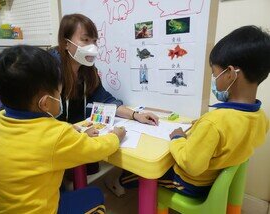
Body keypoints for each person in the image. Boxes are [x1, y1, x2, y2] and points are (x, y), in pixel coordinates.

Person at [109, 25, 270, 198]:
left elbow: (190, 165)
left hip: (189, 182)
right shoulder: (260, 117)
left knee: (141, 171)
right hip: (213, 177)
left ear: (230, 73)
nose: (214, 79)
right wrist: (199, 129)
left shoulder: (214, 122)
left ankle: (117, 183)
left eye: (215, 73)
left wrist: (177, 138)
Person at [0, 45, 126, 213]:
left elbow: (41, 134)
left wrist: (73, 130)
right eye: (59, 93)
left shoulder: (0, 120)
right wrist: (116, 136)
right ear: (45, 103)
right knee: (94, 194)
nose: (61, 97)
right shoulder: (57, 135)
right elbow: (98, 149)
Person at [49, 13, 159, 174]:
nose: (92, 46)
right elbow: (40, 116)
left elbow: (105, 99)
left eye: (94, 41)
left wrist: (136, 114)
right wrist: (71, 133)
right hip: (54, 135)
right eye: (85, 40)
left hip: (77, 128)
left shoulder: (88, 68)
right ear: (66, 43)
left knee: (91, 168)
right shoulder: (50, 68)